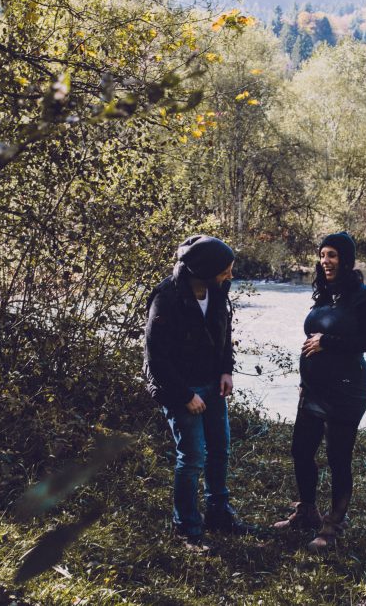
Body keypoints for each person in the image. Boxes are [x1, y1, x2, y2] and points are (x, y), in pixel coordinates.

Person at [273, 232, 366, 551]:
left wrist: (326, 342)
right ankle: (307, 510)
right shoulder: (323, 294)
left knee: (338, 457)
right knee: (301, 451)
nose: (325, 261)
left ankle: (333, 524)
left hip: (348, 390)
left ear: (346, 259)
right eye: (322, 255)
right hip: (313, 389)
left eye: (332, 255)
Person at [143, 235, 249, 549]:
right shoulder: (167, 298)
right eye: (225, 270)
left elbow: (225, 333)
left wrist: (226, 369)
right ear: (204, 269)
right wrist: (185, 395)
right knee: (191, 457)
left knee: (219, 450)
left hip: (212, 383)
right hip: (178, 388)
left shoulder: (218, 292)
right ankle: (186, 528)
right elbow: (155, 357)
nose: (230, 275)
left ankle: (218, 513)